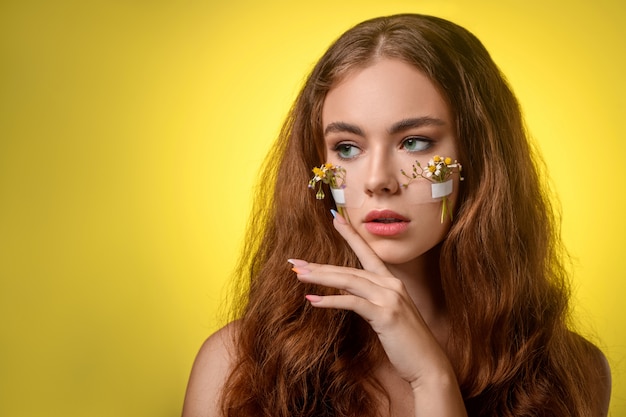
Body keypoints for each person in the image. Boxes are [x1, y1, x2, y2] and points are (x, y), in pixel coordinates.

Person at [182, 13, 611, 417]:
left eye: (415, 142)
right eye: (347, 148)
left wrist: (433, 379)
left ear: (478, 156)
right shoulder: (238, 364)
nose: (378, 180)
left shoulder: (570, 372)